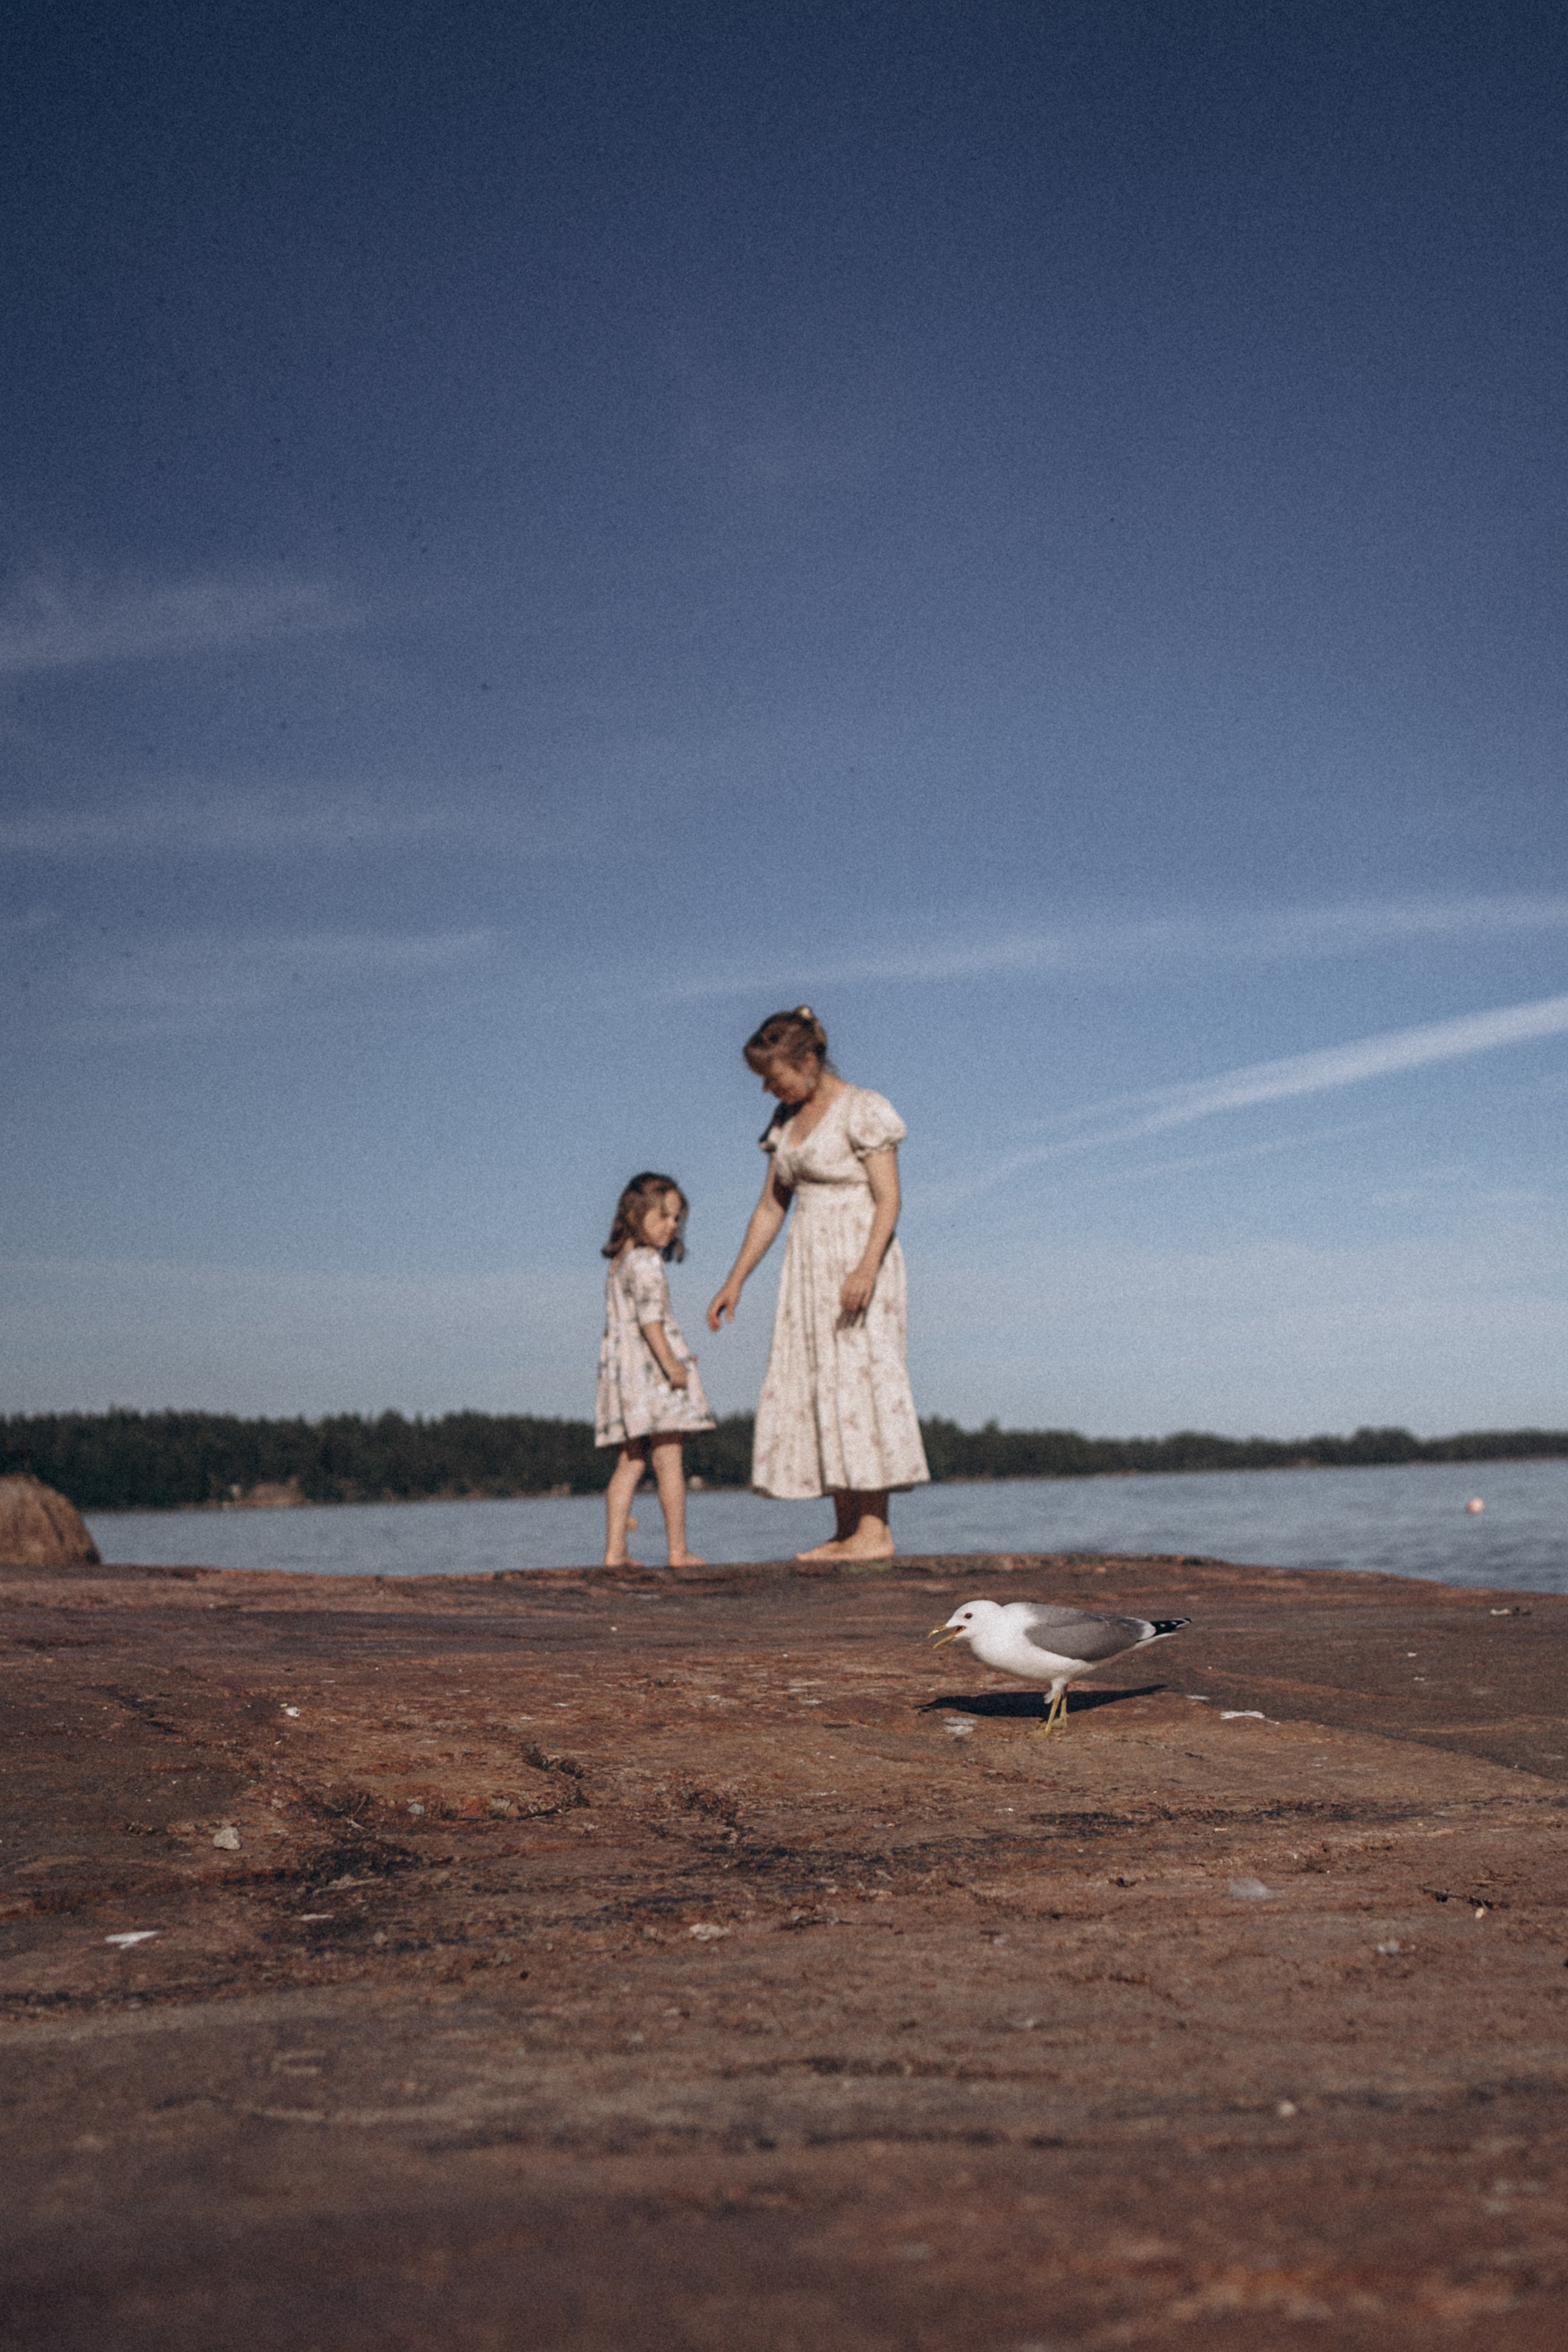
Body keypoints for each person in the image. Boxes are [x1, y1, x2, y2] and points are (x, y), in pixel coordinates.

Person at [706, 1006, 929, 1561]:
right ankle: (847, 1528)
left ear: (807, 1061)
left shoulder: (862, 1109)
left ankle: (875, 1530)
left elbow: (890, 1198)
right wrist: (735, 1280)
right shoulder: (785, 1123)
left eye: (773, 1077)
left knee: (861, 1379)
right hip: (807, 1264)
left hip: (858, 1255)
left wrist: (866, 1267)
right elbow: (769, 1207)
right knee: (820, 1382)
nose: (766, 1089)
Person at [596, 1172, 714, 1568]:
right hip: (655, 1378)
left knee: (631, 1462)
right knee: (669, 1459)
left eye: (677, 1219)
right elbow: (650, 1321)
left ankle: (615, 1551)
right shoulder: (646, 1262)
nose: (673, 1226)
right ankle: (678, 1550)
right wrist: (673, 1366)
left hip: (629, 1380)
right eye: (664, 1217)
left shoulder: (620, 1263)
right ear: (635, 1214)